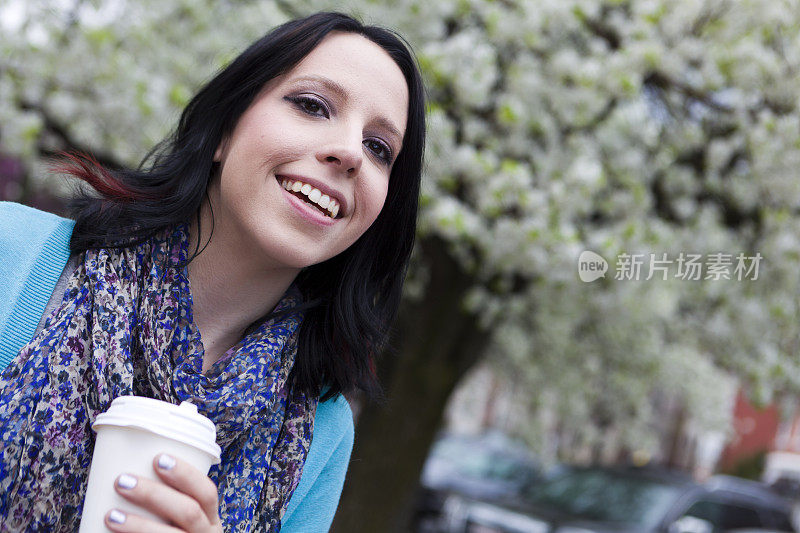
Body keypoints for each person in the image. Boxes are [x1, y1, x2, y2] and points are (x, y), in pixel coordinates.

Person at [0, 11, 425, 532]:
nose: (350, 153)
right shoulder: (12, 252)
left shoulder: (323, 433)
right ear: (225, 129)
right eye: (313, 106)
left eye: (379, 148)